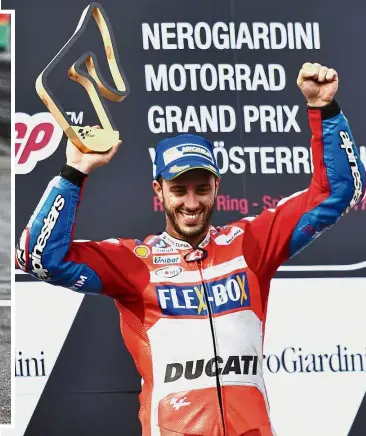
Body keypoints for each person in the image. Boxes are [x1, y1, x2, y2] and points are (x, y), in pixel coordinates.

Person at [16, 62, 365, 436]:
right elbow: (39, 259)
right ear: (159, 191)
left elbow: (337, 193)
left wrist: (323, 108)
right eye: (179, 190)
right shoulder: (135, 264)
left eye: (201, 189)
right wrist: (75, 172)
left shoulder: (250, 244)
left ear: (216, 188)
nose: (191, 203)